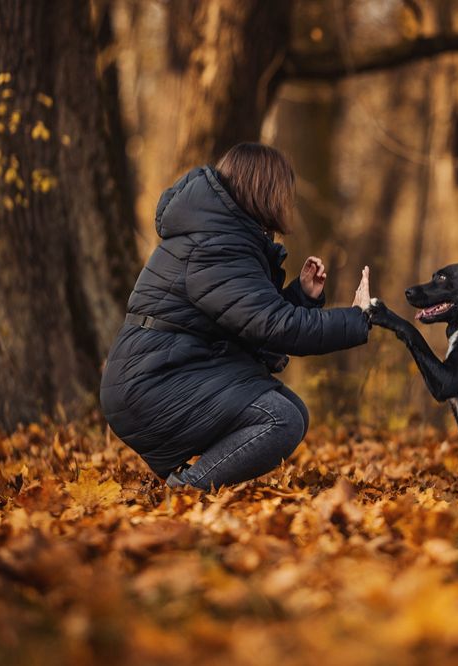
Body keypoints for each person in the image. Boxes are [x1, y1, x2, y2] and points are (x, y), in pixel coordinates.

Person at [100, 143, 372, 490]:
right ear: (265, 190)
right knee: (281, 418)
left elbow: (249, 322)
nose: (288, 202)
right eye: (284, 192)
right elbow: (272, 327)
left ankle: (190, 482)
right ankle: (187, 490)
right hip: (150, 384)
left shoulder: (223, 234)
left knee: (292, 410)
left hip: (164, 372)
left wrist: (302, 296)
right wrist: (355, 318)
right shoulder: (216, 245)